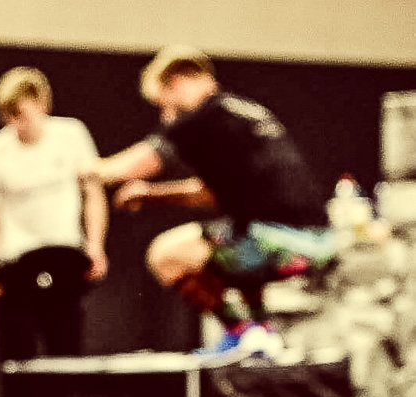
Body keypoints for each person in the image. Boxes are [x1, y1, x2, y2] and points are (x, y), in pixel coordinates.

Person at [86, 45, 337, 360]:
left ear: (176, 82)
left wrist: (80, 166)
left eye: (164, 105)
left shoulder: (205, 116)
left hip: (284, 242)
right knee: (231, 235)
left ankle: (244, 331)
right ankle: (261, 329)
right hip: (318, 240)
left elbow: (127, 166)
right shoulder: (242, 113)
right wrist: (149, 193)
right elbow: (208, 195)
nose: (166, 117)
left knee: (166, 255)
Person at [0, 66, 108, 363]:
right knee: (17, 356)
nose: (15, 123)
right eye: (7, 116)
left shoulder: (72, 135)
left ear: (42, 105)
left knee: (66, 351)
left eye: (21, 114)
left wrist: (95, 246)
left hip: (64, 256)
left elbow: (93, 195)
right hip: (16, 262)